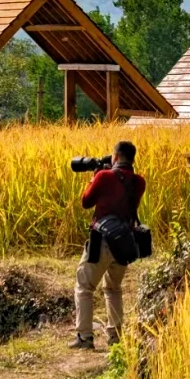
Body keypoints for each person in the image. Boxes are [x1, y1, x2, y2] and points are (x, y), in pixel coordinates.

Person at [71, 139, 145, 349]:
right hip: (124, 243)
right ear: (132, 158)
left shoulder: (104, 176)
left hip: (101, 241)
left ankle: (85, 337)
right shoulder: (139, 182)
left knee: (84, 286)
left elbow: (86, 202)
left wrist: (95, 177)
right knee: (113, 288)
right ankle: (115, 337)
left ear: (115, 157)